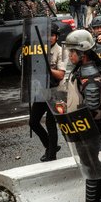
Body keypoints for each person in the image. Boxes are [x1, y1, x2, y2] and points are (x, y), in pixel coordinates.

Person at [60, 29, 101, 202]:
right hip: (85, 126)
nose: (69, 55)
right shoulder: (83, 70)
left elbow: (91, 107)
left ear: (82, 54)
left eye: (72, 52)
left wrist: (77, 121)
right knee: (92, 162)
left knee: (89, 166)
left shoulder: (89, 75)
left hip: (89, 127)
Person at [30, 24, 65, 162]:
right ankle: (51, 146)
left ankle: (52, 155)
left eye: (52, 35)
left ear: (56, 37)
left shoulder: (61, 51)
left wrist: (47, 69)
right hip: (40, 90)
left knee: (51, 123)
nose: (49, 38)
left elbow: (61, 75)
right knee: (33, 122)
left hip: (55, 91)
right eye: (47, 35)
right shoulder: (38, 50)